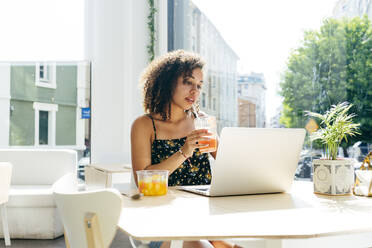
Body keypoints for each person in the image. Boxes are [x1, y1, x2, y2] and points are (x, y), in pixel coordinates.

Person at [131, 50, 241, 248]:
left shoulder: (201, 122)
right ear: (167, 82)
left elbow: (231, 167)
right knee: (201, 242)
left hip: (203, 214)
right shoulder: (144, 125)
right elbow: (142, 181)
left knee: (221, 242)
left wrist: (222, 150)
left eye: (199, 85)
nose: (195, 91)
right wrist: (184, 152)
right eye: (188, 82)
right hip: (162, 219)